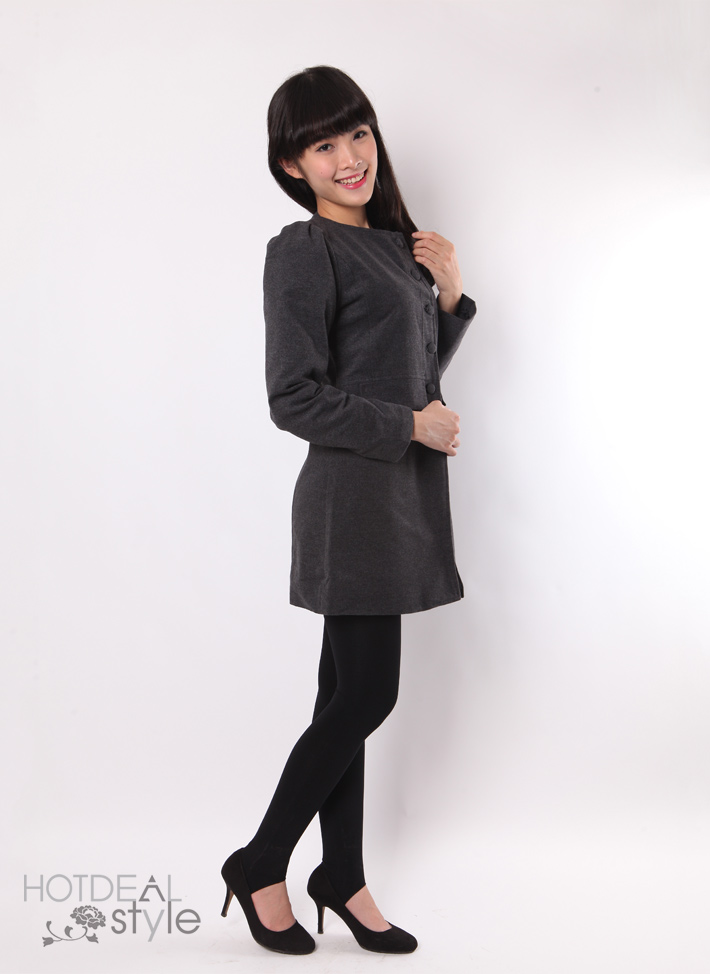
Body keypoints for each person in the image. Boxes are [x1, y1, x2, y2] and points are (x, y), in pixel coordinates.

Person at [220, 65, 476, 956]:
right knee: (367, 694)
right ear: (292, 166)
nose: (348, 157)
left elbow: (406, 369)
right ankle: (261, 861)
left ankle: (343, 875)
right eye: (323, 145)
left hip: (400, 495)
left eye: (356, 133)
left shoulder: (398, 246)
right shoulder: (303, 250)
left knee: (344, 697)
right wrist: (411, 424)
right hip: (352, 500)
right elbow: (292, 396)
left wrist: (449, 297)